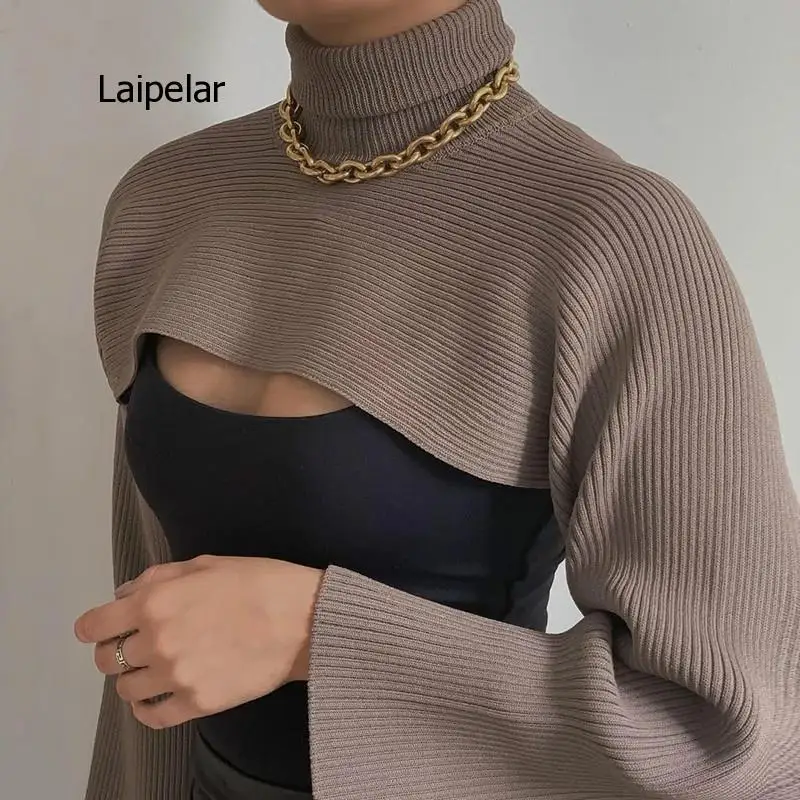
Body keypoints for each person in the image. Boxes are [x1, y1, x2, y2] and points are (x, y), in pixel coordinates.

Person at [74, 0, 800, 798]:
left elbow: (734, 736)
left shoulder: (609, 237)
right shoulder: (167, 198)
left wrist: (321, 635)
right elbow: (152, 637)